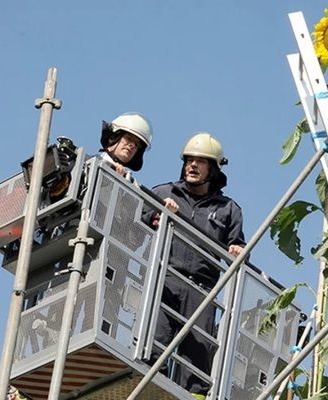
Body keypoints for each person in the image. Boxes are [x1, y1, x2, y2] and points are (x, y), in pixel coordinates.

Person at [151, 132, 245, 398]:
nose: (192, 165)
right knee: (154, 342)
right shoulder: (164, 192)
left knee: (197, 358)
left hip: (202, 290)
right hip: (165, 279)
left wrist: (239, 250)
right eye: (189, 160)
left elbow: (237, 246)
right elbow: (135, 221)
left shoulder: (228, 209)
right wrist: (156, 213)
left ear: (212, 169)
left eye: (200, 161)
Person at [99, 111, 153, 177]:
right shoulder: (86, 165)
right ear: (112, 138)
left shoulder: (132, 184)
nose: (132, 145)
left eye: (136, 145)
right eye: (129, 139)